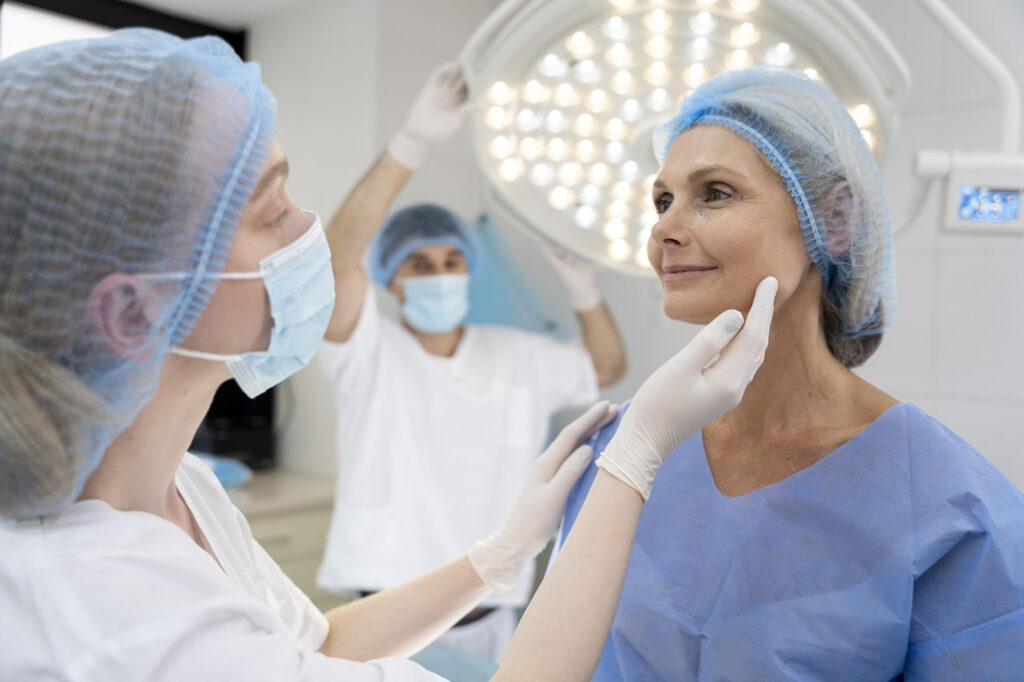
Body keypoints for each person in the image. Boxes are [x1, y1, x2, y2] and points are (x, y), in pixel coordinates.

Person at [0, 29, 777, 681]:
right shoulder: (113, 613)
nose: (306, 229)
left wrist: (500, 556)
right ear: (132, 310)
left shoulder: (181, 487)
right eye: (272, 213)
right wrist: (634, 459)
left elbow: (321, 646)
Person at [556, 65, 1024, 679]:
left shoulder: (952, 510)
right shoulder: (623, 452)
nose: (665, 229)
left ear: (831, 222)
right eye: (662, 200)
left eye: (715, 193)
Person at [314, 61, 627, 661]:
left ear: (470, 269)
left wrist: (583, 290)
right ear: (391, 280)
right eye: (419, 265)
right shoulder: (367, 350)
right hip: (384, 608)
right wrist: (411, 144)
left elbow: (607, 366)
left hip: (493, 610)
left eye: (450, 261)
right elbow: (335, 263)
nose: (439, 275)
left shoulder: (514, 353)